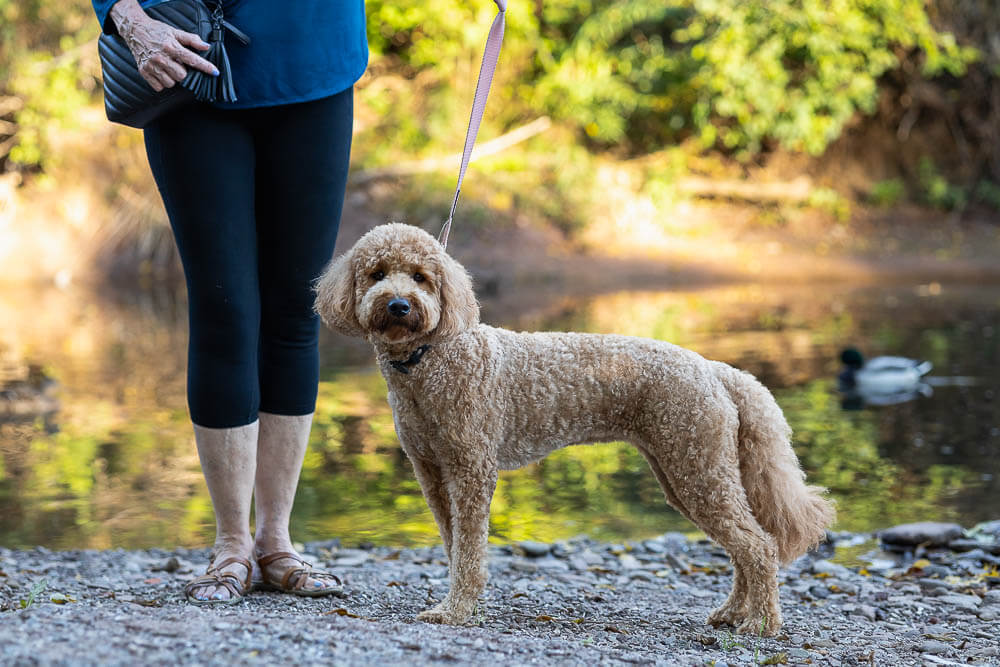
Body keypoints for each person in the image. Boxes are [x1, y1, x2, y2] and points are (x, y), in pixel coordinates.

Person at [91, 0, 368, 604]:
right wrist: (127, 18)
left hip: (316, 58)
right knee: (225, 309)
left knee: (296, 310)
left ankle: (276, 542)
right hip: (188, 58)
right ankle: (231, 544)